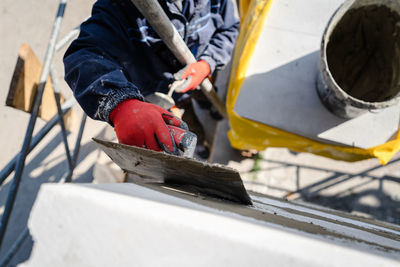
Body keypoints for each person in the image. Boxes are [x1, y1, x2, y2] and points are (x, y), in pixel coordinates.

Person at [64, 0, 239, 155]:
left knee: (207, 95)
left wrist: (208, 63)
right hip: (163, 87)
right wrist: (120, 104)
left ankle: (210, 106)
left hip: (203, 76)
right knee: (186, 119)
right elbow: (86, 53)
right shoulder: (120, 6)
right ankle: (198, 143)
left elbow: (230, 29)